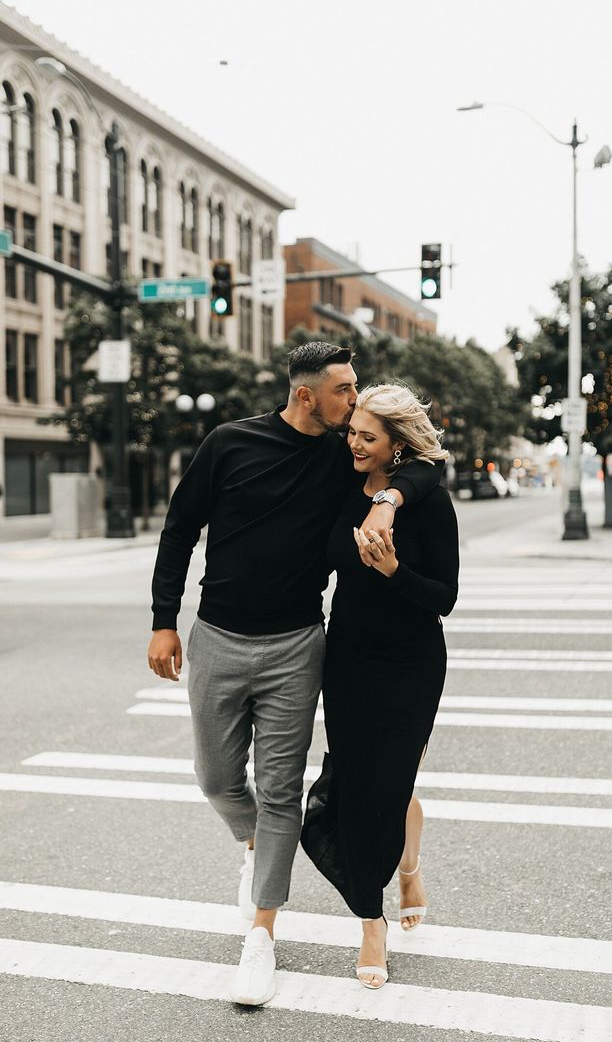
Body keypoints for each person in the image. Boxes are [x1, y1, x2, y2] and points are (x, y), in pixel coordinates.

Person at [147, 343, 443, 1007]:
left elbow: (422, 466)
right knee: (217, 779)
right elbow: (178, 527)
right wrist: (164, 618)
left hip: (297, 645)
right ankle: (255, 844)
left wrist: (391, 497)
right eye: (345, 390)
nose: (354, 400)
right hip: (217, 637)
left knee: (281, 790)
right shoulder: (230, 443)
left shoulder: (345, 456)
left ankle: (262, 933)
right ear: (307, 395)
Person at [301, 384, 459, 990]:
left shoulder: (428, 503)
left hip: (412, 663)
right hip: (349, 659)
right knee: (358, 783)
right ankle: (376, 911)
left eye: (369, 436)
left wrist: (393, 570)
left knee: (391, 785)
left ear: (397, 444)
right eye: (353, 433)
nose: (355, 443)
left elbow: (443, 598)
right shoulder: (344, 483)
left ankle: (396, 887)